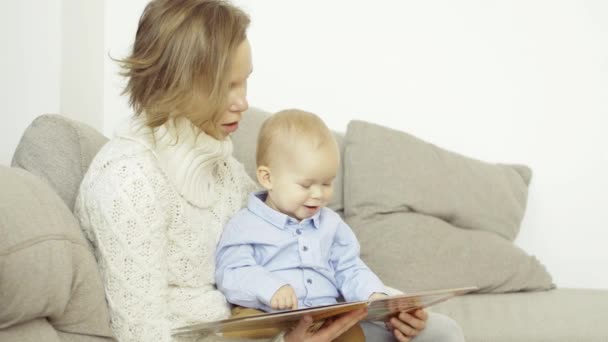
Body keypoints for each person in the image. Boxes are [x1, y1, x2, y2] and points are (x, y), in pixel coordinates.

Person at [74, 0, 463, 341]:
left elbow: (298, 244)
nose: (244, 102)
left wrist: (389, 303)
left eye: (245, 82)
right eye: (228, 86)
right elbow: (143, 333)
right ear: (181, 82)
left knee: (437, 331)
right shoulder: (127, 180)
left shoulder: (220, 166)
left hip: (274, 326)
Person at [215, 110, 466, 342]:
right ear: (267, 177)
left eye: (327, 183)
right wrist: (270, 288)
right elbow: (232, 271)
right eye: (306, 185)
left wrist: (374, 295)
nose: (318, 195)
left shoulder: (331, 224)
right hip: (268, 315)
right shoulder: (245, 224)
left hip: (326, 317)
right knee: (240, 329)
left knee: (352, 331)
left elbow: (349, 267)